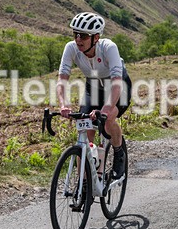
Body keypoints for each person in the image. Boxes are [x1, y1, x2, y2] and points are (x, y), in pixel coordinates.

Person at [56, 12, 132, 179]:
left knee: (108, 118)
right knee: (85, 130)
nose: (78, 39)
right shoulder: (71, 48)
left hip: (117, 86)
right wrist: (63, 104)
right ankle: (84, 183)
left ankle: (119, 152)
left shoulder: (108, 48)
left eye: (83, 36)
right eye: (75, 34)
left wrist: (106, 109)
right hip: (94, 86)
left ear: (96, 37)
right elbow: (62, 80)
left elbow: (117, 83)